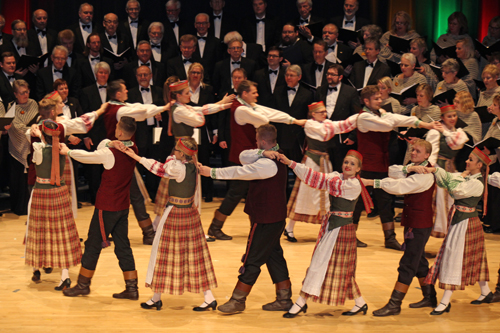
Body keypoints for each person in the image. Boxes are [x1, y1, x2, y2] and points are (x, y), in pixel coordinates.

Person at [200, 124, 292, 314]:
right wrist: (262, 152)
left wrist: (212, 172)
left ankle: (238, 300)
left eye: (258, 142)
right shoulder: (273, 154)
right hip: (274, 217)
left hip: (265, 219)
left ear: (263, 141)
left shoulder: (267, 165)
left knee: (252, 259)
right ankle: (284, 298)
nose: (255, 145)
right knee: (274, 256)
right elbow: (243, 156)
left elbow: (238, 172)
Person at [118, 137, 217, 311]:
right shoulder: (193, 165)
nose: (174, 153)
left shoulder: (178, 167)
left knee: (162, 253)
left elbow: (159, 168)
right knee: (195, 255)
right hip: (189, 213)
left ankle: (157, 297)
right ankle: (207, 297)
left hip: (176, 213)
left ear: (183, 154)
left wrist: (136, 157)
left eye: (177, 150)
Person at [207, 80, 306, 241]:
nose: (257, 95)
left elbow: (268, 112)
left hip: (250, 156)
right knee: (236, 193)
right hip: (243, 157)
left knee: (251, 193)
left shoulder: (247, 106)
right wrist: (292, 120)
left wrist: (292, 120)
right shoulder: (241, 110)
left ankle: (254, 227)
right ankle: (215, 227)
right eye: (254, 92)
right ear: (244, 94)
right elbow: (264, 119)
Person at [281, 149, 371, 318]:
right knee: (338, 268)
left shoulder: (353, 185)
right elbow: (312, 176)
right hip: (333, 228)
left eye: (352, 164)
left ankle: (301, 302)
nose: (348, 166)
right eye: (346, 162)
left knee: (323, 265)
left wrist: (325, 179)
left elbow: (332, 185)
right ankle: (360, 303)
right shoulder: (336, 177)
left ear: (358, 169)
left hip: (342, 230)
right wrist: (290, 163)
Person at [62, 116, 140, 300]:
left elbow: (90, 157)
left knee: (92, 244)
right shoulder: (133, 148)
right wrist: (110, 142)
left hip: (107, 206)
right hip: (122, 206)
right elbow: (102, 147)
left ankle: (83, 285)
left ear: (119, 131)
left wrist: (68, 152)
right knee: (122, 245)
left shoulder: (110, 153)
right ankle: (132, 288)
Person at [352, 85, 436, 250]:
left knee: (386, 202)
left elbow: (399, 119)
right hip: (367, 165)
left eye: (380, 97)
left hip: (382, 165)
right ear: (366, 101)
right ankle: (350, 236)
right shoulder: (363, 117)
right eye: (376, 98)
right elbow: (387, 125)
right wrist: (395, 120)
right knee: (359, 203)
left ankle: (390, 238)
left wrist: (424, 125)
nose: (380, 100)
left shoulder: (382, 114)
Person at [364, 139, 436, 316]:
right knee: (418, 261)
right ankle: (430, 297)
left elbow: (401, 186)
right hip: (413, 221)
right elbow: (392, 171)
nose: (413, 153)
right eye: (412, 150)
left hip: (419, 224)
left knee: (408, 263)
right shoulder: (415, 168)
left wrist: (373, 183)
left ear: (427, 155)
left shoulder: (426, 175)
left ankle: (395, 304)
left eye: (418, 151)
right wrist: (408, 168)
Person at [419, 147, 491, 315]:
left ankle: (445, 302)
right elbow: (447, 179)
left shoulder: (476, 183)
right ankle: (486, 291)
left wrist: (456, 177)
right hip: (461, 222)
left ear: (479, 165)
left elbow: (455, 189)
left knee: (453, 258)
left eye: (471, 160)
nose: (466, 161)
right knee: (474, 257)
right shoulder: (466, 177)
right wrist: (434, 170)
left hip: (465, 225)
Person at [284, 102, 358, 242]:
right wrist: (338, 127)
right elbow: (326, 133)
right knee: (304, 194)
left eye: (325, 111)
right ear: (313, 114)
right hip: (311, 163)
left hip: (324, 161)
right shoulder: (311, 125)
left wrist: (360, 116)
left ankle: (325, 229)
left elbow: (344, 125)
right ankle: (289, 228)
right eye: (321, 112)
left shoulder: (326, 123)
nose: (325, 114)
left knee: (326, 196)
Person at [25, 109, 82, 290]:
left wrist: (36, 131)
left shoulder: (38, 148)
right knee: (61, 235)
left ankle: (36, 267)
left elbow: (31, 137)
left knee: (39, 231)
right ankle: (64, 275)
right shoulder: (62, 149)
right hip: (60, 193)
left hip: (42, 193)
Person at [427, 105, 469, 238]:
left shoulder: (456, 132)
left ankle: (450, 229)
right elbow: (431, 153)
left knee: (451, 199)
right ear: (442, 118)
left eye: (454, 116)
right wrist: (431, 169)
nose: (452, 119)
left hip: (451, 168)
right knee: (439, 199)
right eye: (449, 116)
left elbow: (458, 143)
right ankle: (438, 229)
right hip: (439, 168)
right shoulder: (435, 132)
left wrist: (445, 132)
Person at [316, 64, 360, 172]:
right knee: (324, 169)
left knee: (340, 168)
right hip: (324, 137)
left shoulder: (350, 92)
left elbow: (356, 115)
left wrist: (353, 136)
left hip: (342, 138)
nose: (329, 76)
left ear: (340, 77)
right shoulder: (320, 90)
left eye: (332, 74)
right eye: (328, 74)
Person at [7, 80, 38, 215]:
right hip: (17, 147)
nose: (25, 95)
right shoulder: (11, 107)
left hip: (33, 148)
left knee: (31, 179)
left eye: (27, 92)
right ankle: (19, 208)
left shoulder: (33, 103)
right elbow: (17, 128)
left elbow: (38, 120)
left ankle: (32, 207)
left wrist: (32, 128)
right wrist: (30, 128)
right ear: (15, 94)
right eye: (22, 93)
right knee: (18, 180)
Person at [481, 94, 500, 234]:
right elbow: (488, 137)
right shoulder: (495, 120)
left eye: (494, 105)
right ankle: (491, 221)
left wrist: (492, 148)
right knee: (492, 192)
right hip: (493, 159)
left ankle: (497, 224)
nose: (491, 107)